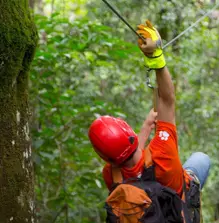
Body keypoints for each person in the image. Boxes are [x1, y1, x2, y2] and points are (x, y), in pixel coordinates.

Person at [88, 20, 210, 196]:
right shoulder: (162, 152)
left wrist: (146, 127)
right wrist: (155, 57)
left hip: (150, 221)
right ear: (129, 134)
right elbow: (167, 100)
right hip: (181, 212)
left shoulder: (111, 176)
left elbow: (130, 159)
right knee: (201, 158)